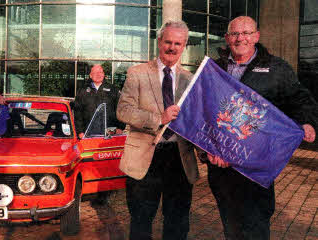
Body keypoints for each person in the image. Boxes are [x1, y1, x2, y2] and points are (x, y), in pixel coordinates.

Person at [206, 16, 317, 240]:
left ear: (256, 36)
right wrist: (206, 149)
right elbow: (201, 112)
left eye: (247, 33)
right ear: (227, 38)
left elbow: (301, 99)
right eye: (235, 34)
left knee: (256, 226)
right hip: (221, 167)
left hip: (256, 165)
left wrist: (307, 122)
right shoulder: (212, 69)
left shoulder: (277, 69)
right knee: (231, 227)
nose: (241, 38)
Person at [116, 20, 200, 240]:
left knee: (178, 223)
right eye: (168, 42)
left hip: (179, 159)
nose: (172, 48)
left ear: (184, 46)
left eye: (178, 44)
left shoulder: (190, 80)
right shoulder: (137, 73)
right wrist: (158, 119)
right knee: (141, 222)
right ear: (159, 42)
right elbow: (123, 111)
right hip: (145, 158)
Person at [74, 64, 125, 139]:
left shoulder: (113, 90)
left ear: (104, 74)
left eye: (100, 72)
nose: (98, 74)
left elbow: (121, 109)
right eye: (95, 72)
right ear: (90, 75)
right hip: (87, 135)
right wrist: (80, 132)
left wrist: (120, 128)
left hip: (109, 135)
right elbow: (77, 113)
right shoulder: (82, 90)